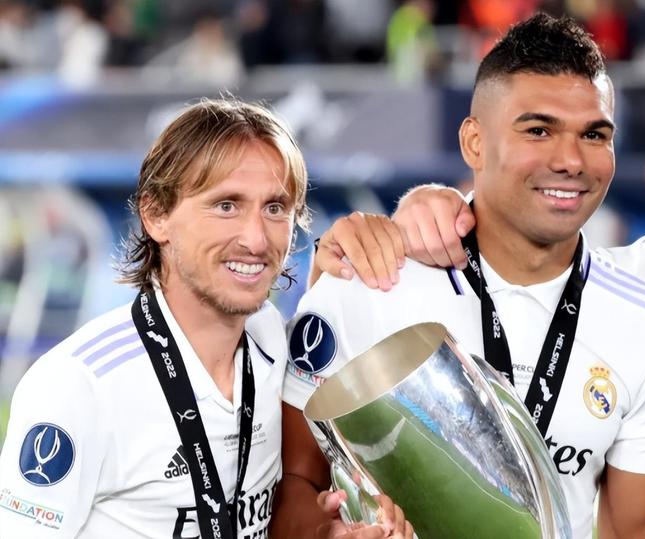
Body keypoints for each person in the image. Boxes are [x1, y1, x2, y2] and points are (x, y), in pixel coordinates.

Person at [280, 13, 645, 539]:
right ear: (474, 143)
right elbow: (291, 484)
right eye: (539, 130)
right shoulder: (368, 277)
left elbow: (633, 529)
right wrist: (327, 534)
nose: (572, 160)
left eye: (594, 134)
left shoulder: (643, 313)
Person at [0, 98, 410, 538]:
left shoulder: (272, 342)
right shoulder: (78, 386)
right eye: (226, 206)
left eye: (275, 208)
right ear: (156, 215)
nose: (256, 240)